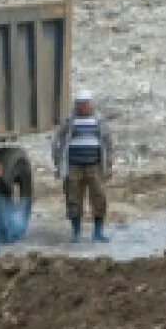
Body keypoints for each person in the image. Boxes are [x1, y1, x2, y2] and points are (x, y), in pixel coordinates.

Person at [53, 89, 113, 242]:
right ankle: (76, 232)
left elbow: (107, 142)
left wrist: (109, 165)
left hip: (95, 166)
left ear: (90, 104)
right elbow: (58, 141)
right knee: (73, 198)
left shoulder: (99, 120)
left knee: (99, 197)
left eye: (84, 104)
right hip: (74, 166)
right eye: (79, 104)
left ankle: (98, 232)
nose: (81, 107)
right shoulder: (69, 121)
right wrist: (58, 162)